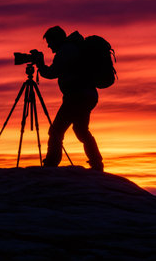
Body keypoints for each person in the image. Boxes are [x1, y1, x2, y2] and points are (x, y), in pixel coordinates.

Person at [32, 26, 103, 171]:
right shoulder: (73, 48)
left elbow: (52, 72)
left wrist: (40, 65)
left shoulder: (66, 50)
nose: (49, 46)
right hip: (87, 95)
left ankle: (51, 164)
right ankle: (97, 163)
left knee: (56, 130)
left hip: (77, 96)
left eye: (50, 42)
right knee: (81, 130)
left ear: (56, 39)